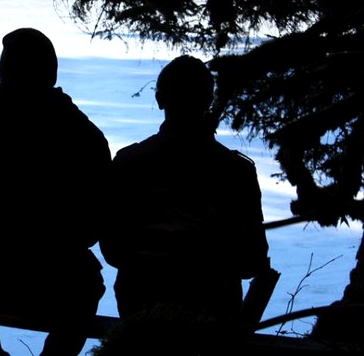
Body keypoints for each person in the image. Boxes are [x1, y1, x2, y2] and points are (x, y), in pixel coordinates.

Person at [0, 27, 111, 356]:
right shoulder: (83, 134)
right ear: (51, 72)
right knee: (89, 286)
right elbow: (99, 217)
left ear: (4, 72)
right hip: (62, 277)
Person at [99, 55, 270, 327]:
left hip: (142, 304)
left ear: (159, 100)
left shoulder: (128, 162)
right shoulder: (236, 171)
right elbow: (251, 259)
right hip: (214, 309)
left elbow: (113, 249)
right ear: (208, 101)